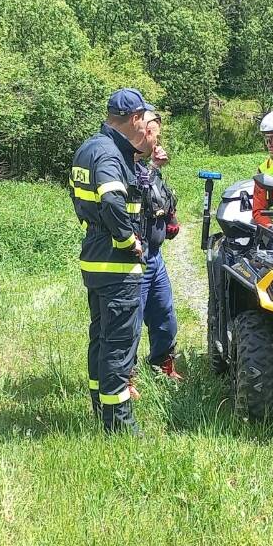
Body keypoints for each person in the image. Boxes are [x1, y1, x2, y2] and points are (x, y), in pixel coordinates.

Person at [69, 88, 153, 434]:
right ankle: (120, 426)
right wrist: (128, 239)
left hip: (95, 258)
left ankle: (99, 408)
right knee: (119, 343)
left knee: (100, 338)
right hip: (116, 263)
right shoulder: (109, 155)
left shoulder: (88, 148)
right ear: (134, 119)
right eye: (144, 119)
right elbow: (113, 203)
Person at [135, 112, 183, 381]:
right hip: (135, 257)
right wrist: (153, 167)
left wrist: (171, 218)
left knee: (164, 314)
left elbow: (160, 198)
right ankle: (126, 377)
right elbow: (138, 192)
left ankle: (162, 366)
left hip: (156, 256)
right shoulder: (128, 162)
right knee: (131, 321)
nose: (158, 140)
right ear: (142, 133)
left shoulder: (148, 169)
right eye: (154, 134)